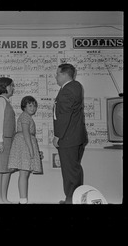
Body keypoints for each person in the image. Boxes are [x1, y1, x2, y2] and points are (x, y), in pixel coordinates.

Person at [52, 63, 88, 204]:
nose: (56, 76)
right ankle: (76, 199)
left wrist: (57, 136)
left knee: (69, 172)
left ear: (64, 74)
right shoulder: (77, 86)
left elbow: (64, 115)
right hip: (76, 136)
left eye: (57, 73)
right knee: (74, 169)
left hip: (68, 138)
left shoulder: (67, 90)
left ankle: (70, 200)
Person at [8, 96, 43, 204]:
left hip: (25, 144)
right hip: (24, 145)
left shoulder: (27, 117)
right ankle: (23, 200)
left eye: (34, 105)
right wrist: (31, 150)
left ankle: (23, 199)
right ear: (24, 107)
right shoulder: (25, 117)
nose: (33, 108)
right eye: (30, 105)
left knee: (24, 173)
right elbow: (26, 134)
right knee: (24, 173)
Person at [0, 77, 16, 204]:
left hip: (8, 140)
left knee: (6, 170)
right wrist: (0, 141)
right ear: (4, 87)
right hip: (1, 140)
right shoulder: (0, 101)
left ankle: (4, 198)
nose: (12, 88)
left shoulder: (6, 101)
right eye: (11, 85)